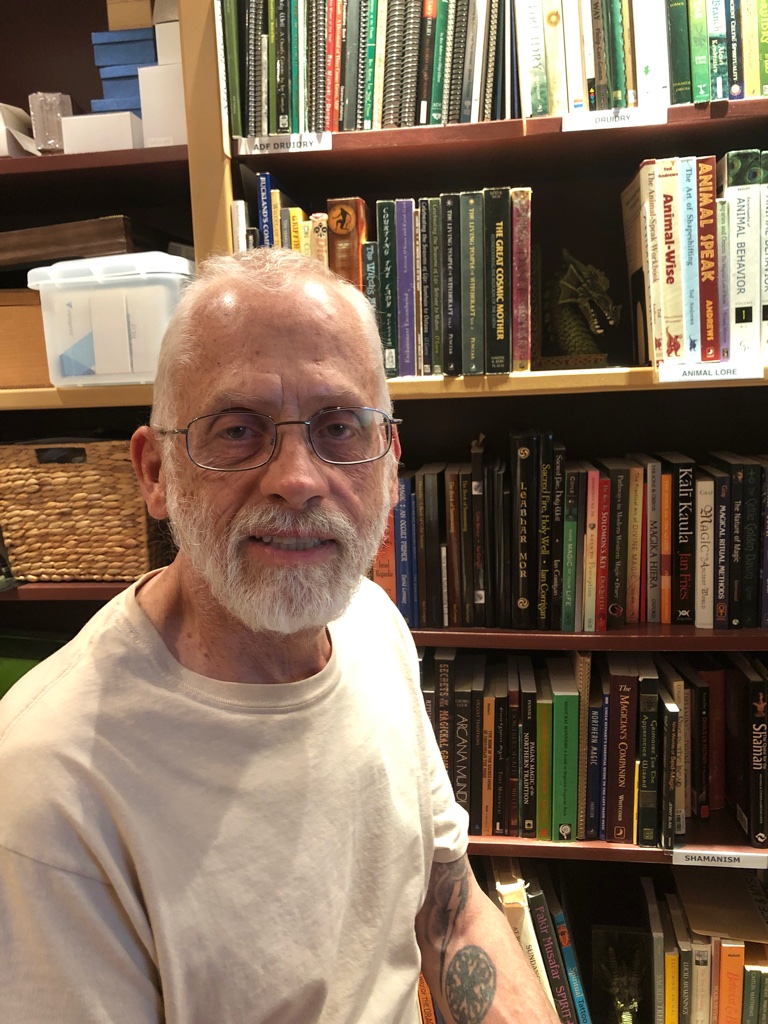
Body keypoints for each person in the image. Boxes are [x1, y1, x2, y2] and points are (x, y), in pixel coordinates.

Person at [0, 247, 558, 1024]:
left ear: (389, 466)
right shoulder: (49, 788)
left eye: (339, 427)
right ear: (155, 472)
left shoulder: (371, 624)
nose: (297, 479)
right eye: (238, 430)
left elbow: (451, 912)